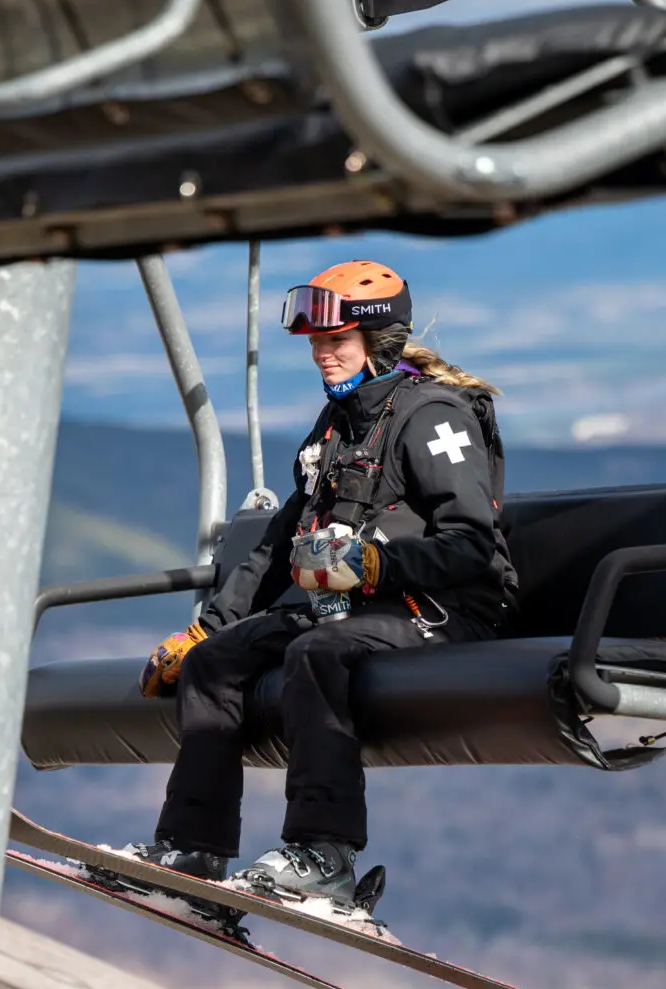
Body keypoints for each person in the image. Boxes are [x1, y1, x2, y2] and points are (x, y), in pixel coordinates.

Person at [126, 259, 519, 905]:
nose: (322, 356)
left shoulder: (433, 417)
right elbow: (281, 542)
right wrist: (205, 628)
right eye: (316, 343)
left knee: (316, 653)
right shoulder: (338, 424)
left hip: (444, 608)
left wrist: (377, 566)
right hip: (357, 609)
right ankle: (193, 848)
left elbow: (474, 547)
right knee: (214, 664)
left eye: (335, 341)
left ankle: (326, 854)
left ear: (377, 340)